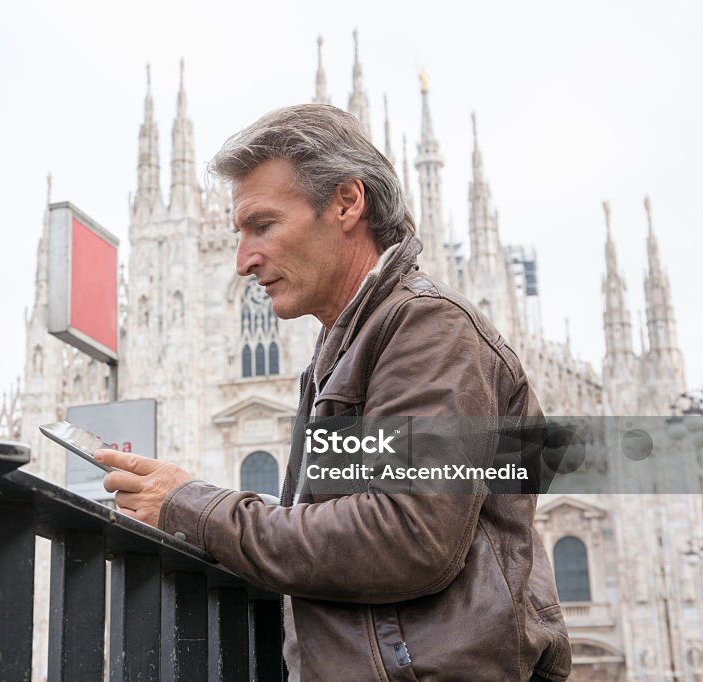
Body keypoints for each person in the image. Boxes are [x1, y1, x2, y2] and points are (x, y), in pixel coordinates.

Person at [96, 103, 571, 681]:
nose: (243, 260)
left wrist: (194, 505)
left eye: (263, 225)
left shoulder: (428, 329)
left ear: (347, 202)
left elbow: (407, 535)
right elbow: (339, 539)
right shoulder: (346, 348)